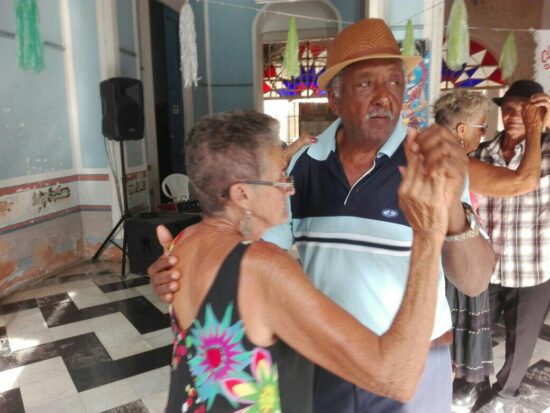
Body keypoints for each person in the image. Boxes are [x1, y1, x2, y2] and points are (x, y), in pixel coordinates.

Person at [151, 19, 495, 412]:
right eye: (367, 84)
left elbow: (474, 281)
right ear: (334, 98)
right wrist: (183, 266)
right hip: (327, 355)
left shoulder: (430, 163)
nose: (386, 97)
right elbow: (250, 245)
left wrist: (446, 208)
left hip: (416, 358)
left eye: (395, 82)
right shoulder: (300, 167)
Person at [165, 110, 449, 412]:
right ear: (242, 194)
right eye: (279, 179)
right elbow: (396, 377)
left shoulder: (183, 242)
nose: (290, 188)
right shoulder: (262, 267)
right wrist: (427, 237)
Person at [433, 89, 546, 409]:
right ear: (461, 129)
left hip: (525, 262)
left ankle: (492, 392)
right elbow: (521, 182)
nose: (485, 133)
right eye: (482, 126)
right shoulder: (458, 158)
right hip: (462, 262)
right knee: (460, 328)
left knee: (509, 337)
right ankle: (459, 387)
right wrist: (536, 129)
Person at [471, 80, 550, 413]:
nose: (513, 115)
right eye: (508, 108)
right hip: (484, 264)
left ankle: (504, 397)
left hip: (532, 264)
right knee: (474, 331)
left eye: (523, 110)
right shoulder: (481, 153)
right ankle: (474, 387)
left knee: (521, 341)